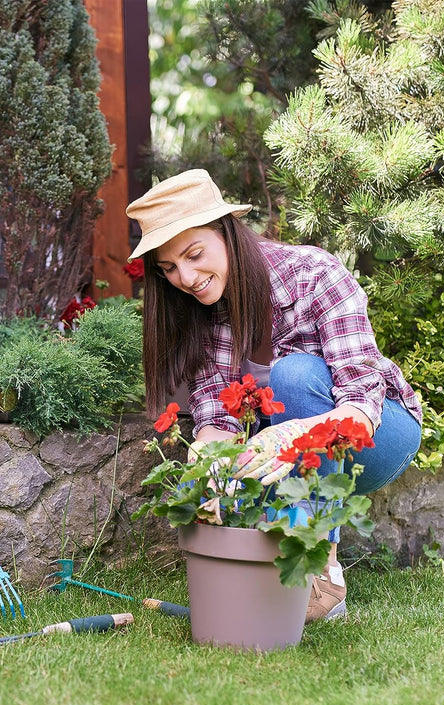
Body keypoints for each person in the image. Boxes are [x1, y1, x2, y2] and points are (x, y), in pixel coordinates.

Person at [126, 169, 422, 622]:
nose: (184, 277)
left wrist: (292, 435)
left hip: (380, 435)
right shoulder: (203, 310)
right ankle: (276, 562)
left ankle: (324, 570)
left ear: (227, 232)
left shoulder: (313, 274)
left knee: (294, 375)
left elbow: (363, 404)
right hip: (288, 452)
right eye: (168, 268)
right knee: (240, 451)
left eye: (193, 254)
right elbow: (216, 414)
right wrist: (208, 464)